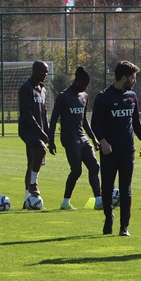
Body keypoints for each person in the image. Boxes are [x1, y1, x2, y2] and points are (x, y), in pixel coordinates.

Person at [90, 61, 141, 236]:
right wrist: (103, 141)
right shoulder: (104, 97)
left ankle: (124, 227)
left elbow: (136, 121)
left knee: (126, 189)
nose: (135, 80)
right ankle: (108, 217)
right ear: (124, 78)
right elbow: (95, 123)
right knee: (107, 188)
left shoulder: (132, 96)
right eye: (133, 77)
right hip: (109, 152)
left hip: (127, 150)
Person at [48, 66, 103, 211]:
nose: (86, 87)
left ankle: (99, 201)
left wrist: (93, 138)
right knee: (76, 171)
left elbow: (84, 119)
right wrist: (51, 140)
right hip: (69, 138)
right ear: (78, 81)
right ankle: (65, 202)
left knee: (94, 166)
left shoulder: (84, 96)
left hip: (82, 137)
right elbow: (53, 120)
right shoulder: (63, 97)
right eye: (85, 83)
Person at [17, 60, 51, 208]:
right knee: (40, 149)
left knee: (32, 163)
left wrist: (48, 132)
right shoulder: (26, 88)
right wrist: (41, 132)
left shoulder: (42, 89)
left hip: (39, 131)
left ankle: (27, 200)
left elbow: (43, 113)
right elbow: (27, 114)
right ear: (35, 71)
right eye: (43, 71)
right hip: (27, 130)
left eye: (47, 71)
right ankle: (33, 185)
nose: (46, 74)